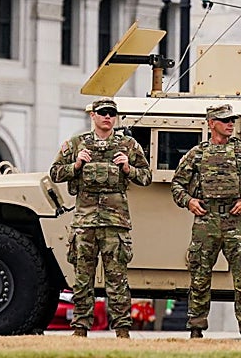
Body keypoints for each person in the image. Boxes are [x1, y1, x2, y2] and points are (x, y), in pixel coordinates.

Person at [49, 96, 151, 339]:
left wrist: (128, 168)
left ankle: (122, 331)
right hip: (85, 223)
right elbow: (54, 173)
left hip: (115, 224)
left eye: (111, 113)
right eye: (103, 112)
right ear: (92, 115)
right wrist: (75, 166)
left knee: (117, 280)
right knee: (82, 279)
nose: (107, 117)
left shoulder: (128, 145)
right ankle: (80, 328)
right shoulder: (76, 144)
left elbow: (146, 177)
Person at [171, 102, 241, 341]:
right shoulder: (197, 154)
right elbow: (177, 185)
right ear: (211, 123)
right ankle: (196, 330)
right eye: (225, 120)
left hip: (234, 222)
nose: (230, 124)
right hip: (205, 222)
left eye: (232, 120)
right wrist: (189, 201)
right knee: (199, 277)